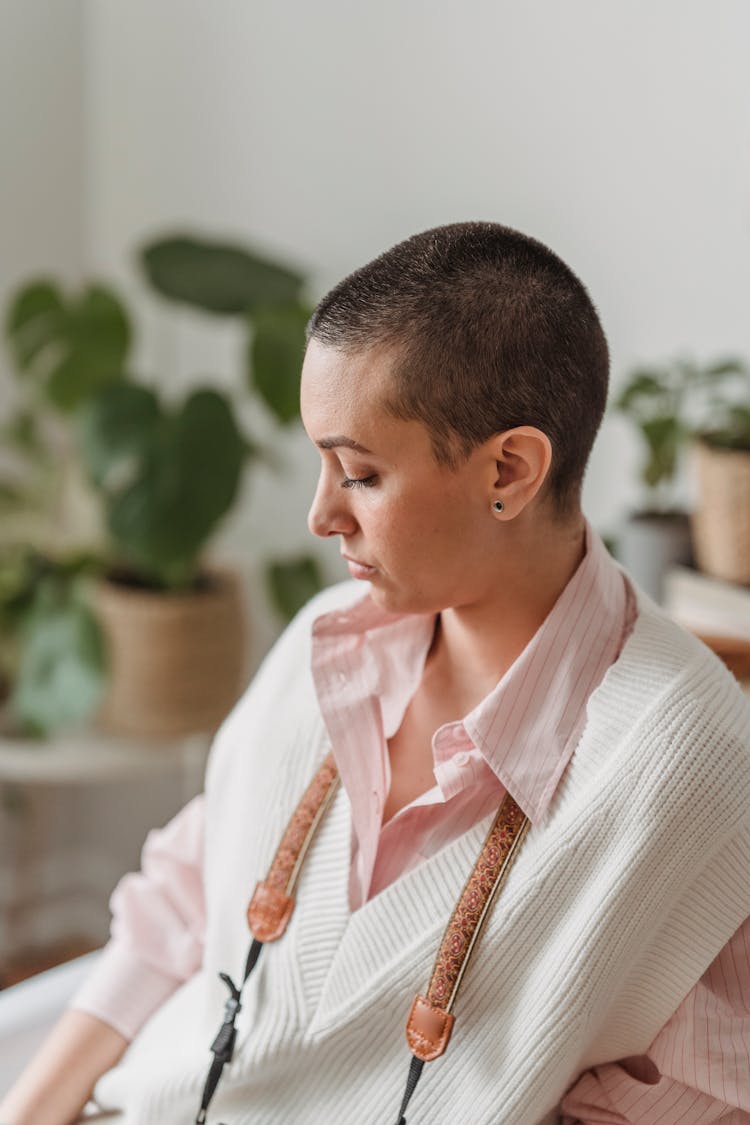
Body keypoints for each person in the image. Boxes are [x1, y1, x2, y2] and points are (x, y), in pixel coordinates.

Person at [2, 222, 749, 1125]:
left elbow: (698, 1094)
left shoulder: (686, 755)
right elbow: (182, 902)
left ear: (508, 470)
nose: (321, 515)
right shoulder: (326, 641)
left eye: (357, 473)